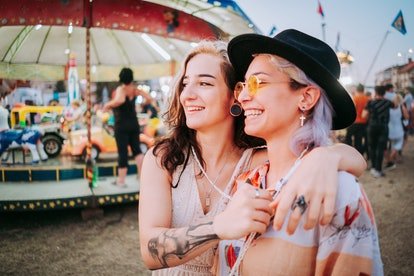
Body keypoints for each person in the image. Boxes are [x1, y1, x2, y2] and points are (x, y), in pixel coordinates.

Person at [139, 40, 366, 275]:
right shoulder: (165, 159)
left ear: (233, 97)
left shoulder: (256, 164)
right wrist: (218, 227)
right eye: (185, 84)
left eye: (204, 83)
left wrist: (325, 156)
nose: (187, 95)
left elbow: (352, 159)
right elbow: (149, 251)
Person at [214, 29, 382, 275]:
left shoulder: (338, 192)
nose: (243, 97)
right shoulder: (247, 181)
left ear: (306, 97)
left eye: (257, 82)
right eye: (243, 85)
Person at [103, 67, 152, 187]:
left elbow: (119, 100)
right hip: (133, 124)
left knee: (123, 153)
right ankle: (142, 177)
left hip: (122, 125)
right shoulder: (134, 89)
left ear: (121, 78)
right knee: (137, 150)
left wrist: (107, 105)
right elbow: (149, 98)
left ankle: (121, 181)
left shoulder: (122, 89)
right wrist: (143, 104)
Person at [363, 85, 395, 177]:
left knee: (372, 148)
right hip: (383, 127)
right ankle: (378, 170)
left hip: (372, 127)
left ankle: (373, 168)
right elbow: (396, 105)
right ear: (384, 93)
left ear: (375, 92)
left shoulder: (370, 103)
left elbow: (364, 115)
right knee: (380, 148)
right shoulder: (388, 102)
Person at [385, 94, 409, 169]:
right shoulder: (401, 107)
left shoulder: (389, 108)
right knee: (399, 144)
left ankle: (392, 159)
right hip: (399, 129)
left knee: (392, 144)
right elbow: (407, 117)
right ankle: (391, 158)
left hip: (390, 129)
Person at [345, 83, 369, 158]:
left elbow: (351, 110)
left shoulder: (355, 98)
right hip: (364, 122)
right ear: (363, 90)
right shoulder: (367, 99)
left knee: (348, 137)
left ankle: (351, 152)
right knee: (359, 139)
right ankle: (359, 154)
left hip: (355, 122)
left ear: (357, 90)